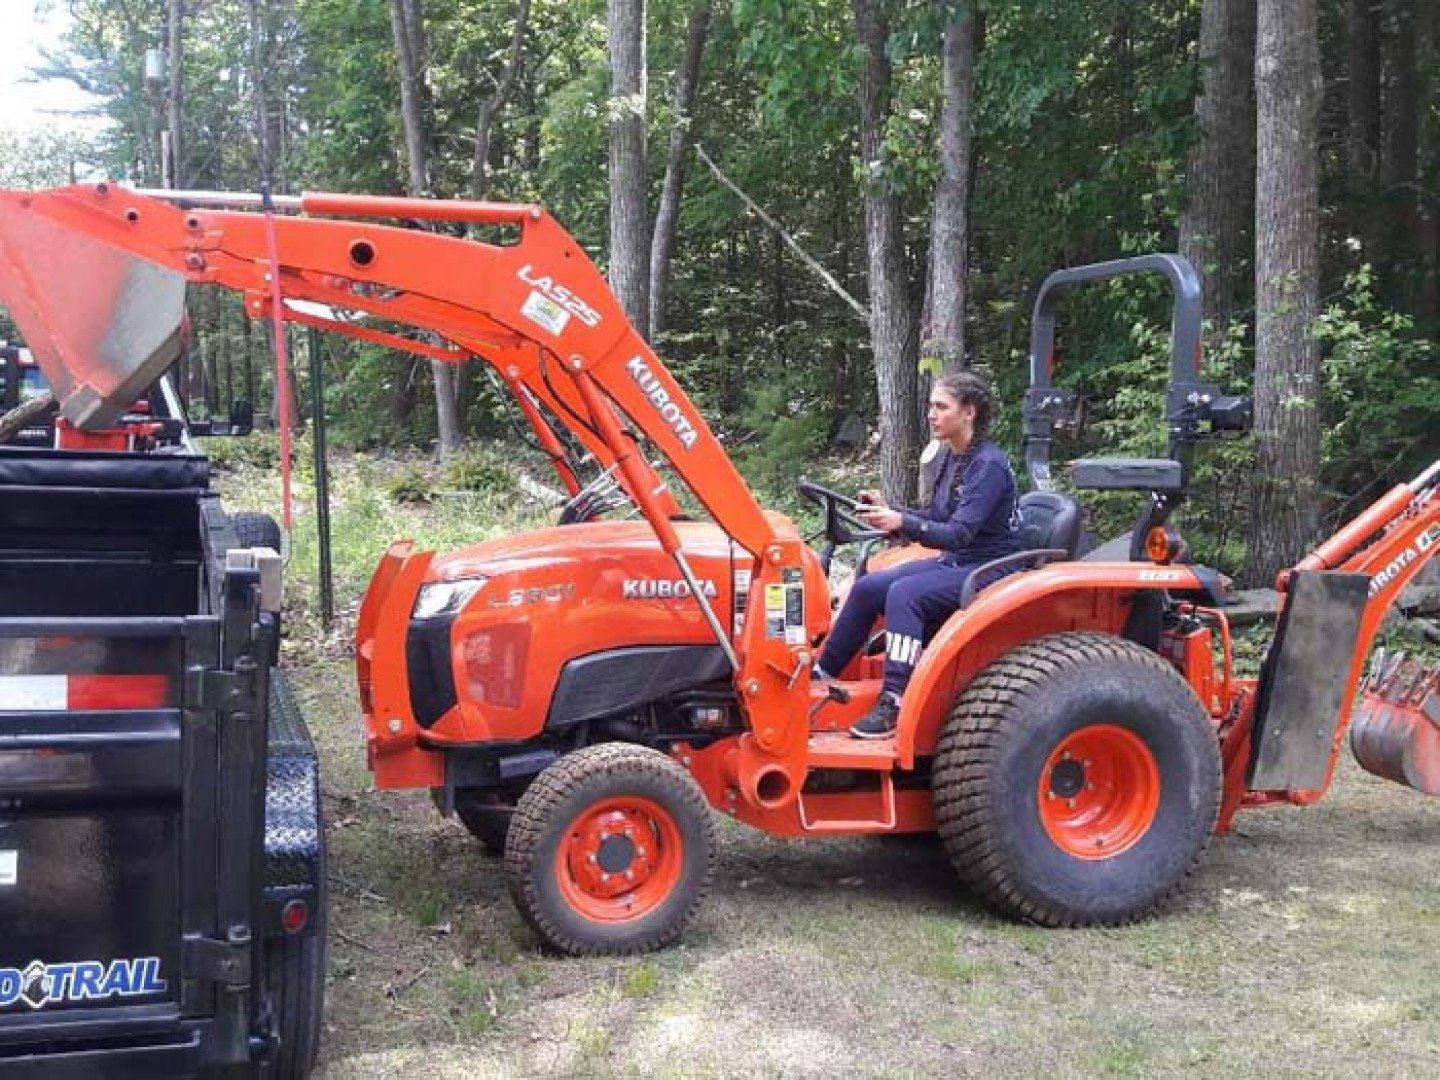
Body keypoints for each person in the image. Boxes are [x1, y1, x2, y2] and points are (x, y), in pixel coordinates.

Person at [814, 371, 1022, 739]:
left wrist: (902, 521)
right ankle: (822, 674)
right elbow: (939, 517)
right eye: (931, 406)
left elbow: (959, 534)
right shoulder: (952, 458)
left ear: (968, 412)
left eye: (941, 407)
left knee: (905, 594)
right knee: (867, 588)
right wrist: (892, 512)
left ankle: (895, 698)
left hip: (987, 566)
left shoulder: (987, 465)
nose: (931, 414)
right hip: (959, 560)